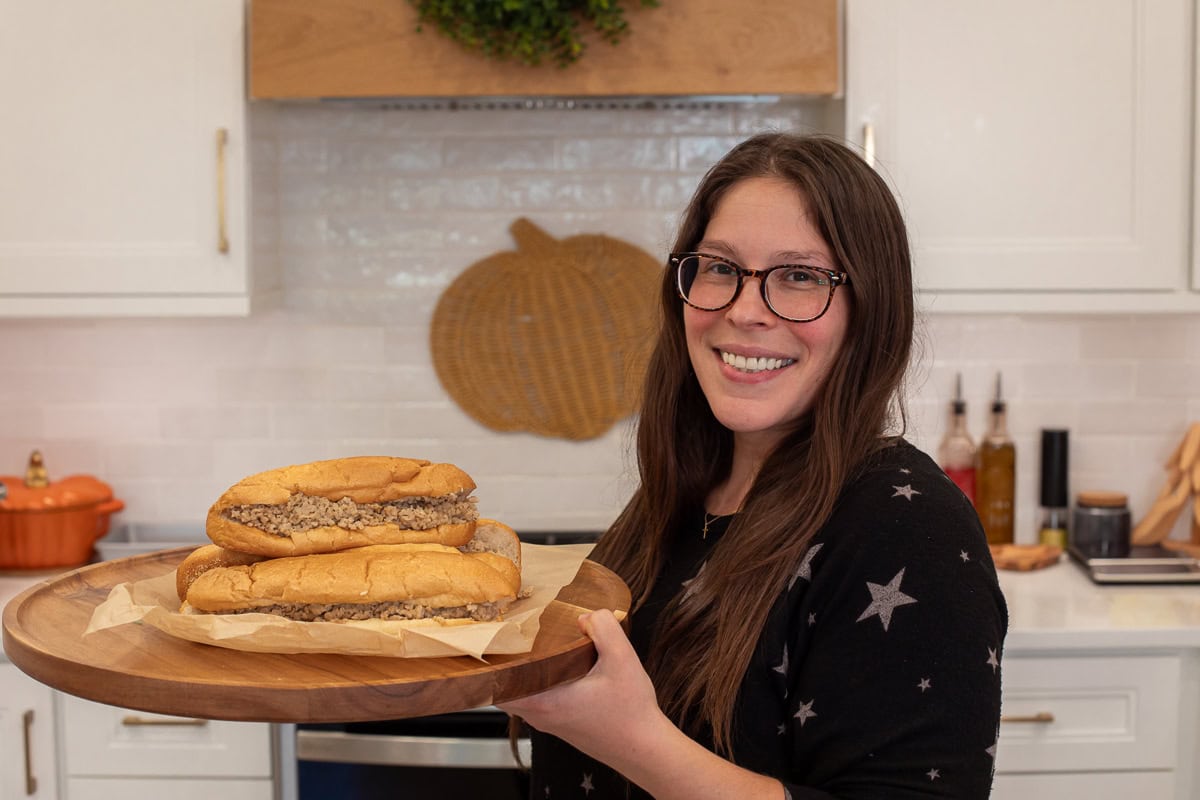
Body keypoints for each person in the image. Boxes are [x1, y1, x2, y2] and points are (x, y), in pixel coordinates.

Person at [499, 132, 1008, 799]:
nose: (744, 310)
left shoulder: (907, 526)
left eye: (799, 276)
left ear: (870, 308)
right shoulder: (689, 491)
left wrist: (628, 738)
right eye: (719, 268)